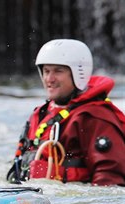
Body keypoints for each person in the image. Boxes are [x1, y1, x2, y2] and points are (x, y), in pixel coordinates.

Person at [7, 39, 125, 186]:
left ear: (78, 74)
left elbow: (110, 181)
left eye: (58, 71)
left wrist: (58, 175)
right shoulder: (41, 113)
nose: (49, 79)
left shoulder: (95, 117)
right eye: (46, 71)